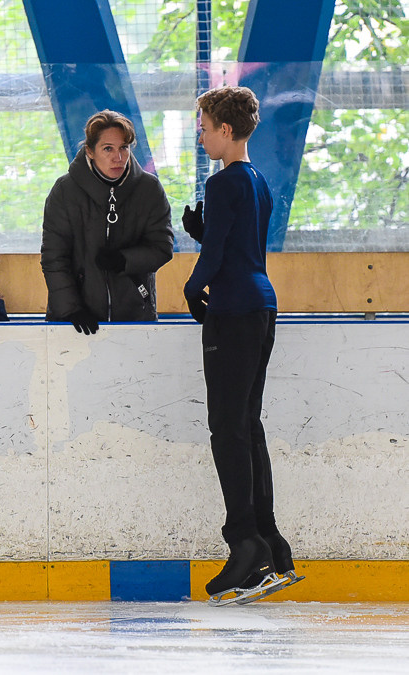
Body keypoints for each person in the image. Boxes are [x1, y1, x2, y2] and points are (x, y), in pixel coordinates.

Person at [182, 86, 302, 605]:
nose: (201, 134)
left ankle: (245, 545)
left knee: (226, 429)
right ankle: (271, 542)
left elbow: (213, 261)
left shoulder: (224, 180)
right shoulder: (257, 181)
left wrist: (191, 287)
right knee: (247, 425)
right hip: (261, 305)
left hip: (232, 312)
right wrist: (203, 229)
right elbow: (235, 241)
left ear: (225, 131)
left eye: (204, 126)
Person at [40, 110, 174, 334]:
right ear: (90, 151)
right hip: (74, 321)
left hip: (135, 316)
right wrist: (70, 310)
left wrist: (125, 260)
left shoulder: (149, 189)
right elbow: (54, 257)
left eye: (124, 148)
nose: (118, 157)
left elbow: (162, 247)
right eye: (108, 149)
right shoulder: (64, 191)